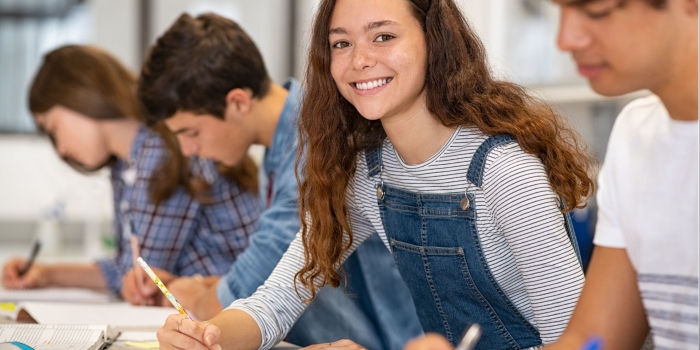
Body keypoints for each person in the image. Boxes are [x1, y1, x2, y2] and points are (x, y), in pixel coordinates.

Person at [156, 0, 597, 349]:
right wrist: (207, 337)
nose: (360, 60)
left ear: (434, 42)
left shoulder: (504, 172)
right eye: (341, 43)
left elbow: (581, 341)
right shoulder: (367, 176)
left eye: (383, 36)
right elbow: (276, 300)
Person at [407, 0, 699, 349]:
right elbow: (592, 340)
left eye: (597, 11)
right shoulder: (637, 135)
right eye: (561, 10)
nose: (565, 39)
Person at [134, 13, 423, 349]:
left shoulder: (313, 146)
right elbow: (276, 288)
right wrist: (200, 291)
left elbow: (240, 290)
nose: (188, 150)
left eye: (191, 132)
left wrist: (194, 292)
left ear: (238, 101)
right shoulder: (279, 146)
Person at [0, 45, 260, 300]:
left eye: (54, 128)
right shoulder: (127, 163)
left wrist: (51, 275)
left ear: (81, 95)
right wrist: (44, 274)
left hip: (242, 308)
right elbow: (129, 268)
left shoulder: (162, 152)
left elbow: (140, 278)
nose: (61, 150)